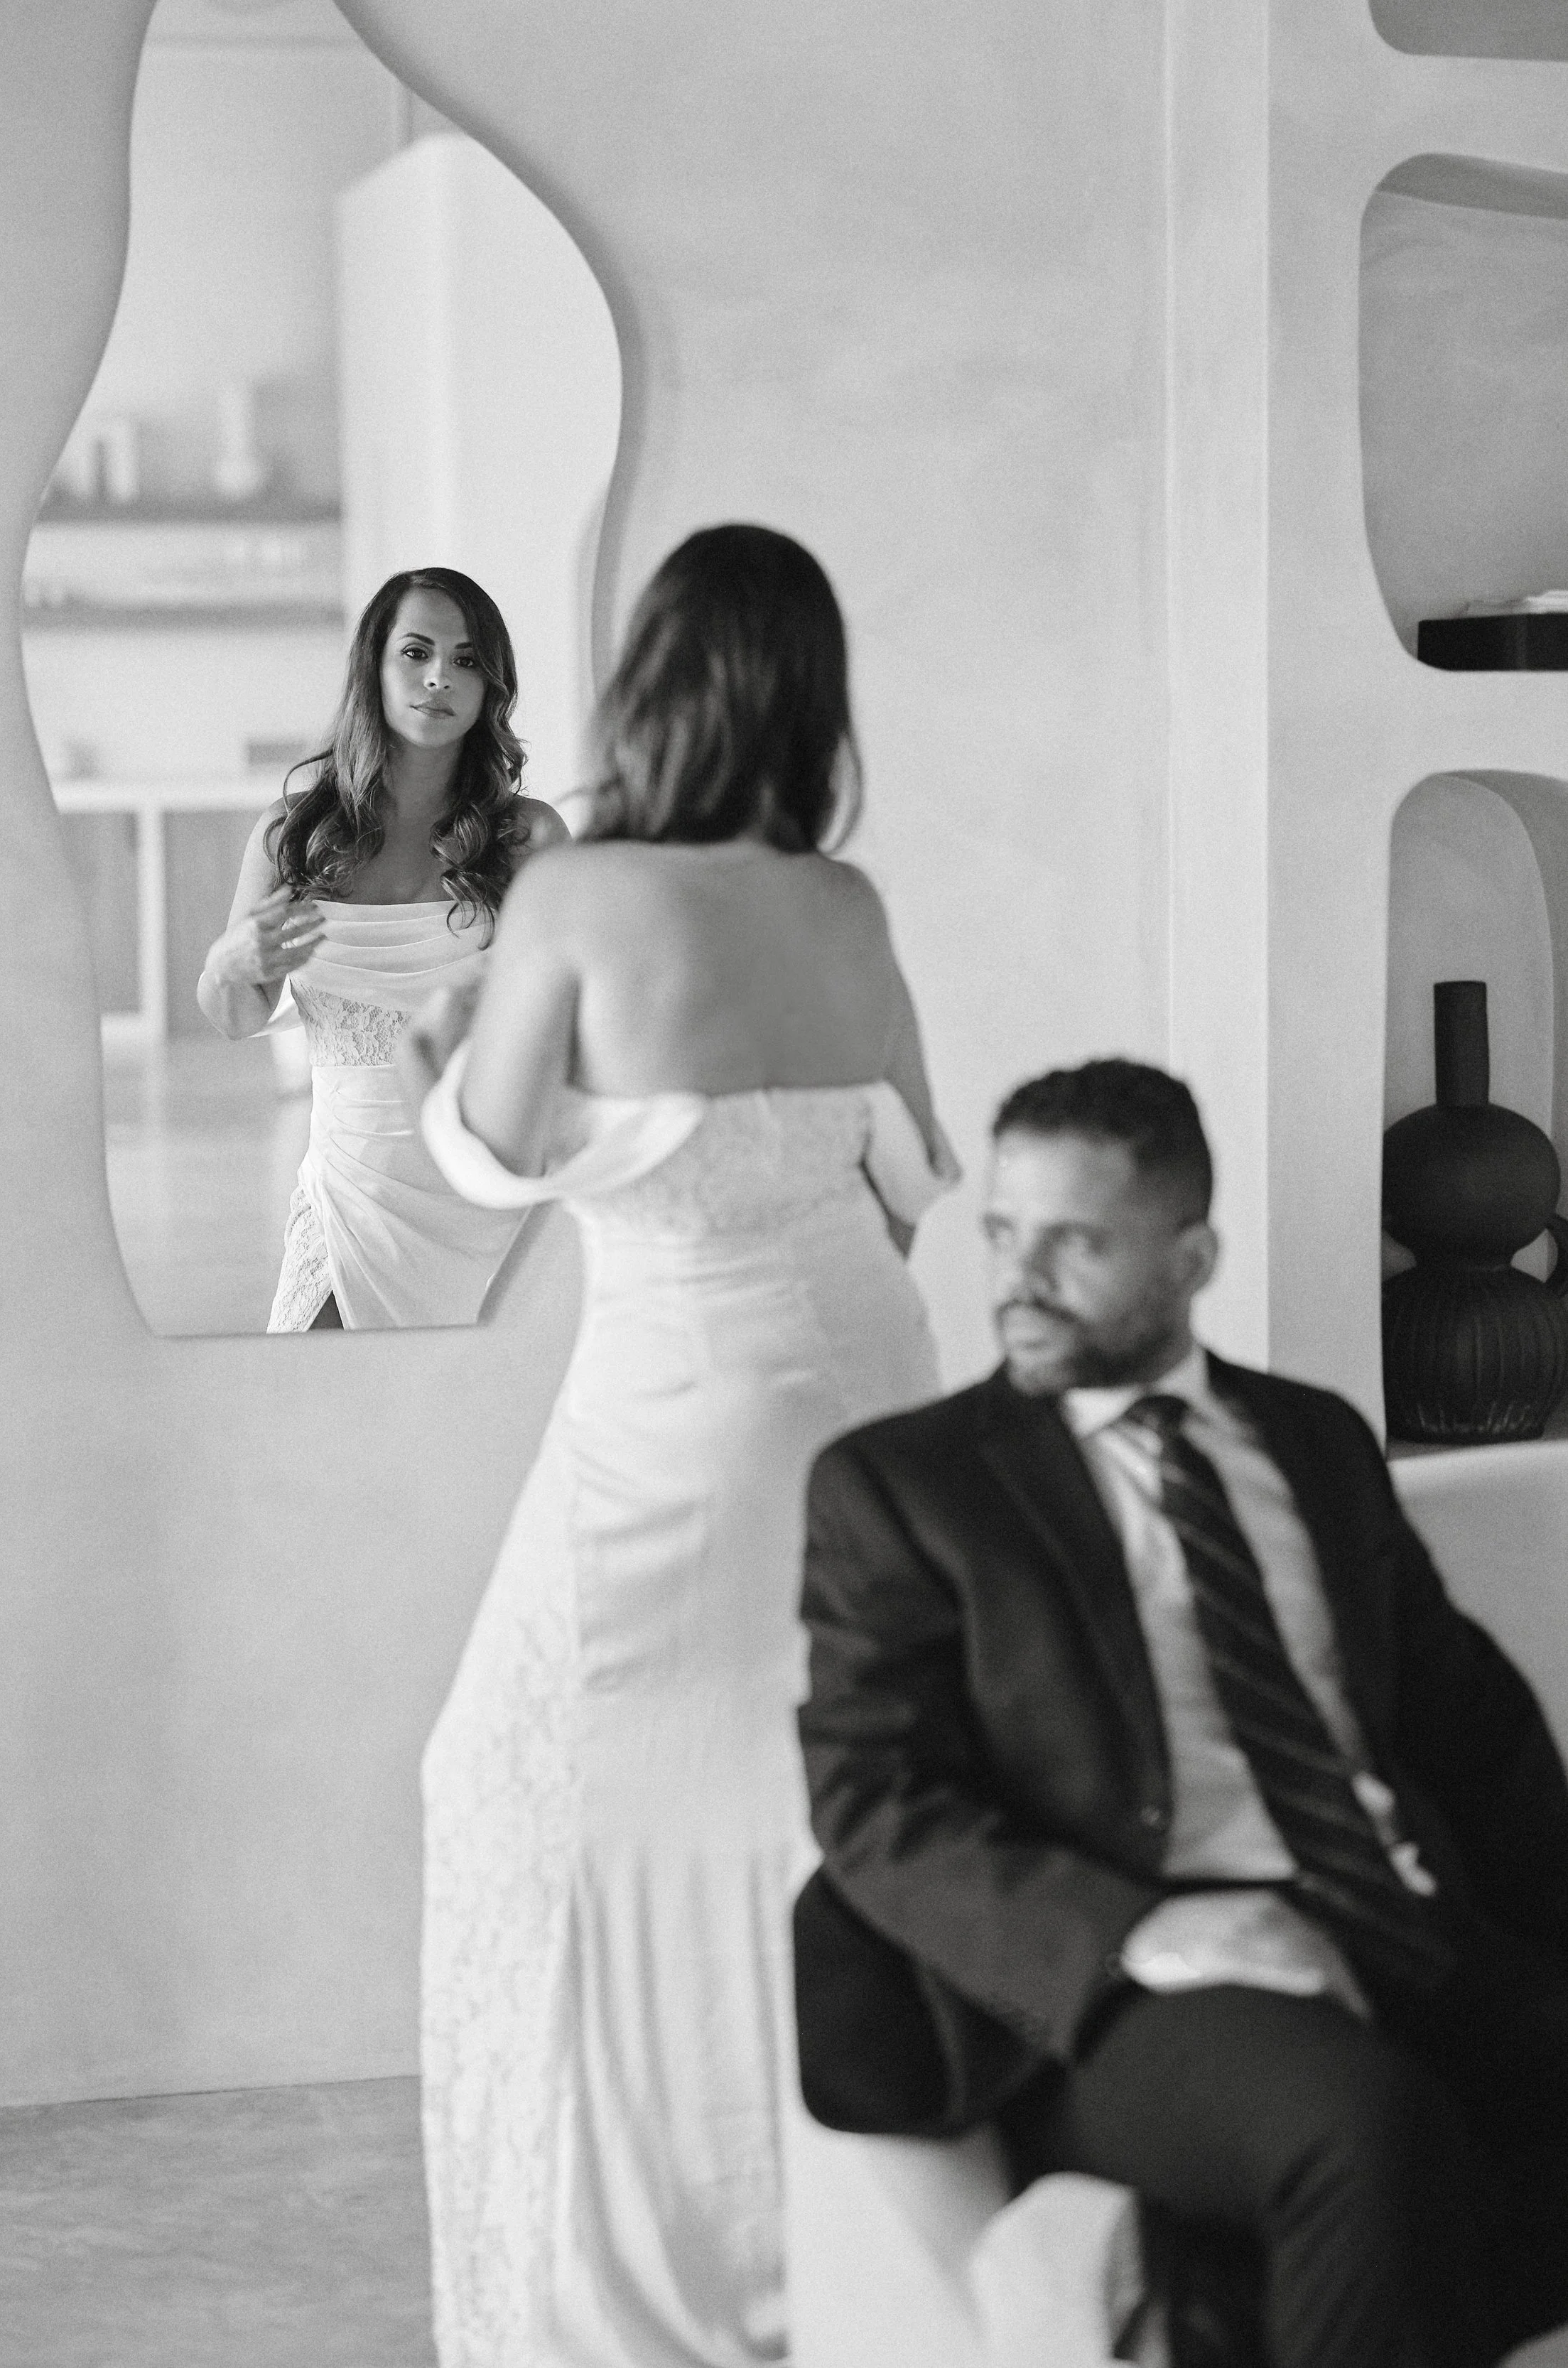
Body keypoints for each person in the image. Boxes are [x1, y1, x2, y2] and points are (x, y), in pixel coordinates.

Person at [398, 524, 961, 2367]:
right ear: (809, 696)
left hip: (684, 1433)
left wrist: (439, 1040)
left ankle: (631, 2284)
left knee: (514, 1796)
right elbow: (903, 1188)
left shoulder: (583, 892)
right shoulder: (848, 904)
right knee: (811, 1815)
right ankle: (840, 2249)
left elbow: (483, 1162)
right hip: (877, 1401)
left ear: (653, 679)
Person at [794, 1057, 1568, 2368]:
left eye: (1077, 1241)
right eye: (1003, 1232)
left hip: (1394, 1907)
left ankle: (1198, 2292)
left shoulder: (1314, 1440)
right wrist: (1151, 1927)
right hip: (1125, 1973)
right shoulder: (907, 1485)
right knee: (1370, 2134)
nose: (1018, 1278)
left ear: (1191, 1255)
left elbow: (1464, 1717)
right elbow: (875, 1798)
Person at [197, 566, 566, 1329]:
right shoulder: (293, 832)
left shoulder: (530, 838)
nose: (439, 678)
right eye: (417, 652)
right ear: (374, 664)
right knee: (315, 1413)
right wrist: (228, 963)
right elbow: (233, 1015)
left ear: (491, 686)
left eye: (467, 660)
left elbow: (563, 1029)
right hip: (350, 1195)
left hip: (488, 1186)